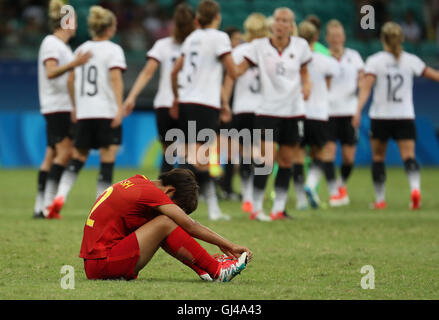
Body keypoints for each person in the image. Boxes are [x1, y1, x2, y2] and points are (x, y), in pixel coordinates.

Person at [79, 168, 252, 282]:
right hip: (102, 265)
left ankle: (206, 269)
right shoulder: (151, 193)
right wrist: (229, 245)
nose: (177, 213)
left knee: (162, 223)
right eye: (178, 208)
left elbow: (164, 237)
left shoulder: (140, 182)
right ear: (170, 191)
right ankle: (217, 271)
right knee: (166, 221)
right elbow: (190, 225)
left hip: (98, 263)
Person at [47, 5, 126, 219]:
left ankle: (59, 198)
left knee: (77, 157)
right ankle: (102, 209)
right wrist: (120, 107)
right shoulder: (113, 50)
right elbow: (116, 79)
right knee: (107, 159)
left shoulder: (80, 50)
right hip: (106, 112)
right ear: (109, 28)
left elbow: (71, 80)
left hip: (84, 112)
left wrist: (75, 106)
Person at [353, 22, 439, 210]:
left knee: (378, 158)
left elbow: (366, 89)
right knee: (409, 156)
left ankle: (380, 200)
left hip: (381, 116)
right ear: (401, 40)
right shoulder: (411, 60)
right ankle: (415, 190)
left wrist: (358, 110)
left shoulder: (375, 61)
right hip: (404, 116)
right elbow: (434, 75)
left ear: (382, 39)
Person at [238, 7, 312, 221]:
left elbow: (305, 72)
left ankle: (278, 208)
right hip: (267, 111)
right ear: (272, 24)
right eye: (277, 20)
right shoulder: (258, 46)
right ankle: (256, 208)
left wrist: (307, 86)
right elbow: (239, 69)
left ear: (291, 25)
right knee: (266, 160)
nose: (280, 24)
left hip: (293, 111)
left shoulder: (301, 46)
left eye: (285, 20)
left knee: (287, 160)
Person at [170, 0, 239, 221]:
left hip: (188, 102)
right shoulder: (219, 37)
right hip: (205, 104)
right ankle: (187, 206)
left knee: (194, 157)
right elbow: (232, 70)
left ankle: (179, 205)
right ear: (217, 17)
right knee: (201, 160)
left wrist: (177, 96)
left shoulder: (191, 38)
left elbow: (175, 71)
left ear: (198, 19)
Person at [123, 3, 196, 176]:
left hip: (164, 103)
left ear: (174, 24)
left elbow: (147, 72)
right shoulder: (196, 46)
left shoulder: (163, 45)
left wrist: (131, 97)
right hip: (189, 103)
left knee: (168, 154)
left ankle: (163, 195)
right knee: (188, 153)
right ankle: (186, 195)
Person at [35, 0, 91, 218]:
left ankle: (40, 207)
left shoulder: (62, 46)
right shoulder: (51, 43)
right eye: (74, 20)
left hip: (60, 105)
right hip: (57, 106)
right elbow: (50, 72)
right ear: (66, 21)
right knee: (66, 153)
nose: (76, 24)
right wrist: (74, 65)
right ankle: (49, 204)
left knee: (51, 155)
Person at [222, 13, 270, 214]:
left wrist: (224, 102)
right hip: (264, 108)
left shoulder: (239, 51)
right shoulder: (269, 50)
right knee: (262, 156)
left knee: (244, 154)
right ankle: (256, 197)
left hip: (242, 108)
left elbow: (230, 80)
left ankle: (247, 196)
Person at [297, 21, 340, 209]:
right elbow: (329, 84)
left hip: (297, 113)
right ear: (316, 38)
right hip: (319, 114)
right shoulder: (326, 60)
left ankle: (300, 200)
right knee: (321, 154)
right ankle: (310, 185)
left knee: (297, 155)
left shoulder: (295, 58)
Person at [325, 19, 365, 206]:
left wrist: (358, 109)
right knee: (329, 154)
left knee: (349, 158)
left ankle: (341, 184)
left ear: (344, 37)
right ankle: (334, 191)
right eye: (332, 36)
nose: (336, 39)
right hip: (328, 113)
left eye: (339, 35)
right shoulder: (323, 57)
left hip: (349, 111)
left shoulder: (354, 56)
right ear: (327, 38)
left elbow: (363, 80)